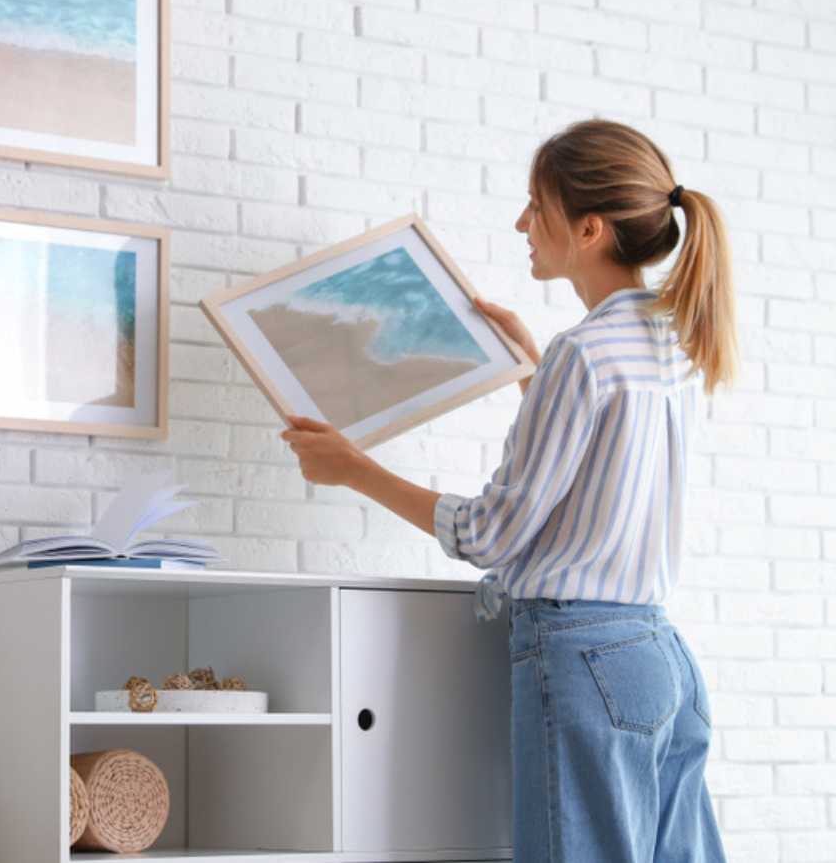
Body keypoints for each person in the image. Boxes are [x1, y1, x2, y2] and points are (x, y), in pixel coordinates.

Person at [280, 118, 735, 862]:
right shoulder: (673, 344)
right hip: (660, 658)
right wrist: (533, 373)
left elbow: (490, 535)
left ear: (588, 229)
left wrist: (352, 467)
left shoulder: (582, 355)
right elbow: (605, 468)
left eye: (536, 205)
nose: (522, 223)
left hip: (582, 657)